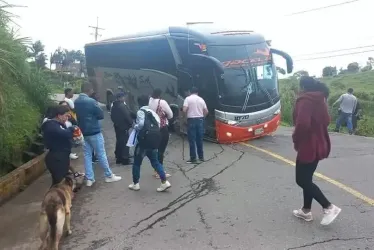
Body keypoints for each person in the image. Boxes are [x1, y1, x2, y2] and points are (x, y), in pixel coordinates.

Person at [292, 76, 341, 226]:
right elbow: (326, 121)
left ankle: (328, 207)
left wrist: (296, 138)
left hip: (308, 145)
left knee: (301, 179)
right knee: (307, 179)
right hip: (320, 143)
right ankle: (306, 211)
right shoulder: (320, 99)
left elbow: (302, 124)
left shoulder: (305, 100)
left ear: (303, 87)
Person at [74, 82, 121, 187]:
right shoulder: (91, 101)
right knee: (101, 154)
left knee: (87, 155)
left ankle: (90, 179)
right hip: (94, 131)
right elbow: (100, 115)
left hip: (84, 132)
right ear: (89, 90)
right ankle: (109, 175)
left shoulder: (76, 101)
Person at [128, 95, 171, 192]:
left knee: (137, 163)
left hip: (144, 142)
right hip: (154, 141)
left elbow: (141, 124)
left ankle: (136, 184)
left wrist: (135, 126)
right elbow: (159, 124)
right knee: (155, 162)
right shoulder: (153, 112)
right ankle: (164, 182)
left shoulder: (140, 112)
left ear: (139, 103)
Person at [41, 105, 83, 185]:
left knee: (61, 181)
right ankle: (55, 197)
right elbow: (64, 134)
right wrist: (72, 129)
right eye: (66, 116)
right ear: (59, 115)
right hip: (56, 157)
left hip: (62, 156)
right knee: (59, 183)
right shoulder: (51, 125)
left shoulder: (58, 124)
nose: (67, 118)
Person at [149, 89, 173, 179]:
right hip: (162, 128)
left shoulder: (150, 102)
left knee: (155, 150)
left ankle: (155, 169)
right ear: (160, 94)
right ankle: (159, 171)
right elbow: (170, 115)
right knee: (161, 151)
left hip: (153, 128)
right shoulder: (162, 102)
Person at [183, 87, 208, 164]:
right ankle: (201, 157)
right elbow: (206, 111)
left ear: (190, 92)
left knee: (192, 140)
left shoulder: (188, 99)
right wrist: (202, 117)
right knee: (199, 139)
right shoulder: (201, 99)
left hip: (191, 120)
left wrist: (185, 117)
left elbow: (184, 110)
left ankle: (193, 158)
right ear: (197, 92)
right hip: (200, 120)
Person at [110, 92, 134, 165]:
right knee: (125, 142)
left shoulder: (114, 105)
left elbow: (112, 117)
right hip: (123, 127)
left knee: (119, 141)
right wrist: (131, 124)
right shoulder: (122, 106)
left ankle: (119, 157)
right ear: (120, 98)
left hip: (117, 126)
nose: (125, 98)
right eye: (124, 97)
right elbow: (127, 116)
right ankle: (125, 159)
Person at [89, 92, 99, 163]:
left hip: (92, 126)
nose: (98, 96)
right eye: (97, 95)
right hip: (92, 127)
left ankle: (93, 157)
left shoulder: (92, 103)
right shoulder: (93, 103)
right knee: (93, 144)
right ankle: (93, 157)